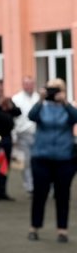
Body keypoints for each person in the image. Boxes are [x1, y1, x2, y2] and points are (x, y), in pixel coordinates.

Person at [27, 79, 77, 243]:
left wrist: (65, 103)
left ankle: (62, 230)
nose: (54, 93)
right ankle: (34, 227)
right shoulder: (43, 107)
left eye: (57, 90)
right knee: (39, 194)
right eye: (51, 90)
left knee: (63, 195)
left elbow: (75, 118)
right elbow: (31, 116)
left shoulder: (68, 108)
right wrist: (40, 100)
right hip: (41, 157)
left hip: (64, 158)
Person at [12, 76, 39, 195]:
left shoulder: (38, 98)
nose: (29, 86)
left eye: (31, 84)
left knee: (38, 161)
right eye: (26, 84)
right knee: (26, 161)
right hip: (23, 133)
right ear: (23, 85)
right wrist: (14, 136)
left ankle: (38, 184)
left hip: (37, 133)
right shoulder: (17, 98)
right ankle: (29, 186)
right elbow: (14, 118)